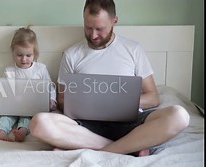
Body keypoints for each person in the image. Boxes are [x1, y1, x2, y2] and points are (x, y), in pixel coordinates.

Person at [30, 0, 190, 156]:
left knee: (180, 116)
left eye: (100, 29)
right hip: (86, 126)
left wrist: (119, 102)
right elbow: (62, 99)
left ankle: (100, 149)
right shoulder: (72, 55)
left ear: (114, 21)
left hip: (130, 124)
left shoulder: (133, 50)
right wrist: (88, 101)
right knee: (38, 123)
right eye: (88, 27)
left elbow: (153, 97)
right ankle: (128, 146)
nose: (93, 35)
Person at [0, 26, 57, 142]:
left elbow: (50, 87)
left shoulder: (40, 69)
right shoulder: (9, 71)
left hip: (31, 107)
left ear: (35, 54)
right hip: (12, 107)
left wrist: (52, 100)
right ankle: (0, 132)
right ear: (13, 52)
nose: (23, 59)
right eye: (19, 55)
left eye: (28, 55)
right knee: (5, 118)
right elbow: (2, 90)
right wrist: (1, 101)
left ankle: (21, 132)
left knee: (28, 119)